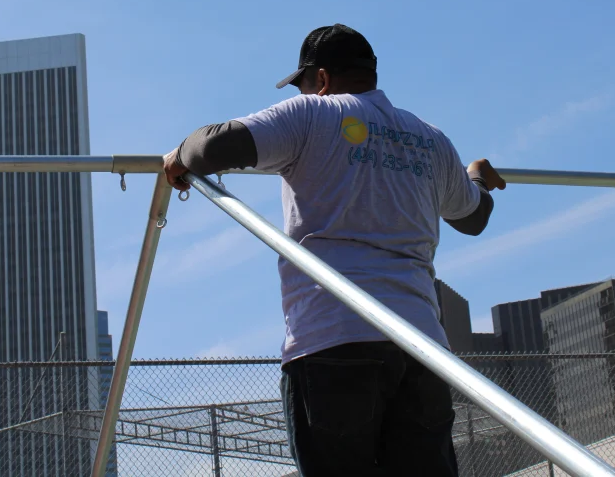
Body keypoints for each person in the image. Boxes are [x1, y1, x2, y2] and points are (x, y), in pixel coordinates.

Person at [162, 24, 505, 476]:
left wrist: (178, 154)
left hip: (333, 338)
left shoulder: (312, 115)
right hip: (421, 347)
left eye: (305, 84)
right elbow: (473, 217)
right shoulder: (431, 141)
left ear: (320, 80)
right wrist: (475, 174)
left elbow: (210, 148)